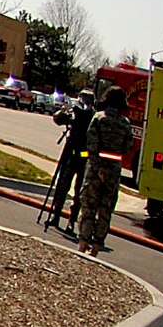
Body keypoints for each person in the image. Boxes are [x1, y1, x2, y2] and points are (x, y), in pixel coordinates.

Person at [75, 86, 135, 254]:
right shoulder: (125, 124)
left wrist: (99, 165)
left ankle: (82, 243)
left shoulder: (99, 118)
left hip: (95, 167)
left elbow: (91, 144)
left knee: (88, 206)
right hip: (114, 169)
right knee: (105, 209)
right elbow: (127, 148)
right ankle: (96, 246)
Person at [44, 89, 95, 232]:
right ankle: (68, 221)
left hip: (74, 153)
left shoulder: (79, 113)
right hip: (83, 155)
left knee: (64, 186)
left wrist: (64, 110)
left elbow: (57, 119)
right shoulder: (93, 116)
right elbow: (58, 119)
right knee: (76, 190)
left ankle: (59, 217)